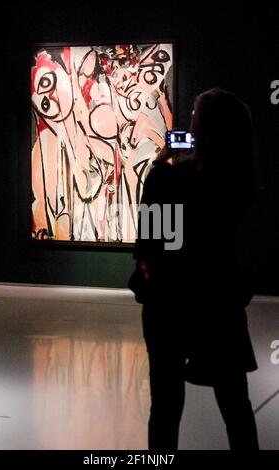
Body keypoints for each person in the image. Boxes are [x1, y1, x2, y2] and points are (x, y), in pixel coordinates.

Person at [131, 88, 259, 450]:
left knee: (166, 408)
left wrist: (160, 162)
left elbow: (154, 239)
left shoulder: (171, 180)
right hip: (219, 303)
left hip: (169, 305)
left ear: (204, 132)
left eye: (193, 121)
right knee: (236, 405)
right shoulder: (239, 182)